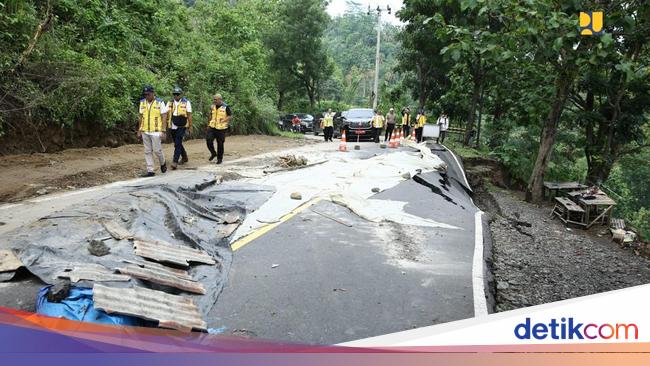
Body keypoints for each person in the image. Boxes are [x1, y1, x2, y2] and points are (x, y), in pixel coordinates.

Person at [137, 85, 168, 177]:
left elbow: (164, 116)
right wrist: (139, 130)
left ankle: (163, 162)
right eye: (145, 94)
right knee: (147, 151)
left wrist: (163, 130)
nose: (147, 96)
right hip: (145, 130)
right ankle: (150, 170)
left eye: (148, 94)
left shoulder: (159, 102)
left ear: (153, 93)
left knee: (157, 150)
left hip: (156, 130)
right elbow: (140, 117)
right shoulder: (142, 103)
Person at [167, 87, 192, 170]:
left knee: (177, 143)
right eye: (174, 94)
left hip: (182, 125)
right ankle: (184, 157)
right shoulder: (170, 102)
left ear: (181, 94)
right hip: (173, 124)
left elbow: (189, 115)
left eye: (177, 94)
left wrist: (190, 126)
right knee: (177, 143)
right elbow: (165, 113)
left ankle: (175, 161)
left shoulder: (186, 102)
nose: (176, 96)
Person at [206, 93, 233, 164]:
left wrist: (224, 120)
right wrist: (208, 124)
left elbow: (230, 116)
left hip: (221, 128)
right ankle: (213, 153)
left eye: (215, 99)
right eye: (214, 99)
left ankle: (219, 159)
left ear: (220, 99)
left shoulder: (226, 107)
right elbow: (210, 115)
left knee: (220, 144)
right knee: (208, 141)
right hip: (212, 127)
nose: (214, 101)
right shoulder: (212, 106)